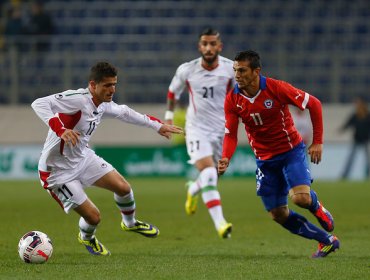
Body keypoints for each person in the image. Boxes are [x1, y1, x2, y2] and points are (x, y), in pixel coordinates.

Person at [31, 61, 183, 256]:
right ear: (93, 85)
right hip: (57, 172)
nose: (112, 90)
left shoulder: (103, 104)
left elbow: (126, 112)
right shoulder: (78, 99)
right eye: (107, 85)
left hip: (82, 158)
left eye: (114, 84)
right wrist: (60, 129)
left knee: (124, 188)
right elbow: (39, 103)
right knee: (94, 217)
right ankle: (87, 238)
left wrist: (158, 126)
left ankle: (130, 223)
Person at [218, 50, 340, 258]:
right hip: (265, 161)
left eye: (242, 70)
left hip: (290, 152)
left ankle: (316, 205)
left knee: (300, 198)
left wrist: (318, 141)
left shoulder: (276, 88)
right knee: (277, 214)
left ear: (256, 71)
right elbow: (230, 135)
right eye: (235, 70)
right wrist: (225, 157)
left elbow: (314, 104)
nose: (237, 75)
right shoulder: (232, 99)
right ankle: (327, 241)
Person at [164, 28, 234, 238]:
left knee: (213, 175)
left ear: (219, 47)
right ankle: (221, 224)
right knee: (210, 173)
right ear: (199, 46)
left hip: (222, 131)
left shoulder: (231, 69)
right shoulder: (187, 70)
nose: (209, 47)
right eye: (205, 43)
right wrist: (169, 116)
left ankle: (193, 189)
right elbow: (172, 92)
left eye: (213, 44)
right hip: (197, 129)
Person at [339, 97, 370, 179]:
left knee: (367, 160)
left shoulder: (368, 115)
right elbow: (348, 124)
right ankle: (345, 175)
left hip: (365, 140)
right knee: (351, 159)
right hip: (356, 140)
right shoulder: (355, 115)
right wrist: (341, 130)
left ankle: (367, 175)